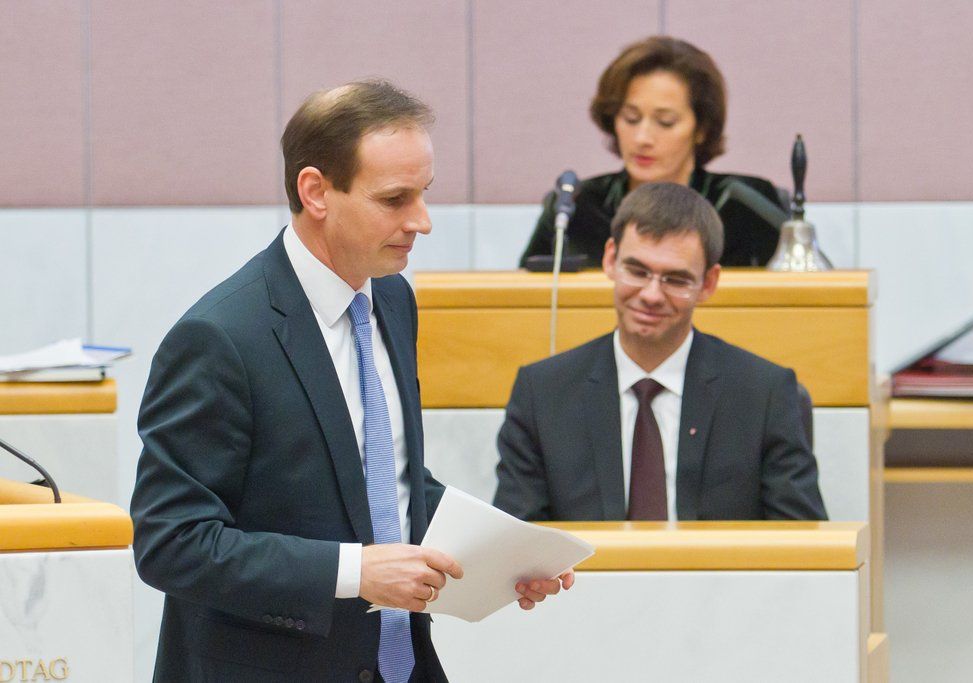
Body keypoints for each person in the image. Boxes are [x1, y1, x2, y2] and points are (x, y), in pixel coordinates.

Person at [131, 80, 571, 683]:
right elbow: (172, 542)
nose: (421, 221)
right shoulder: (219, 338)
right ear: (315, 192)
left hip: (400, 664)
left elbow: (382, 481)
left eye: (424, 193)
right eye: (394, 199)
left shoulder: (392, 298)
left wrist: (505, 557)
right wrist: (354, 573)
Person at [495, 183, 826, 522]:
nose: (651, 295)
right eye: (637, 272)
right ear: (610, 259)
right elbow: (515, 539)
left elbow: (802, 541)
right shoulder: (543, 394)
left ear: (708, 283)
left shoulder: (764, 393)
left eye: (676, 280)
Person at [520, 35, 787, 269]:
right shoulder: (577, 208)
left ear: (701, 129)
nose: (643, 138)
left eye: (665, 122)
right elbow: (523, 297)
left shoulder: (743, 206)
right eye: (631, 118)